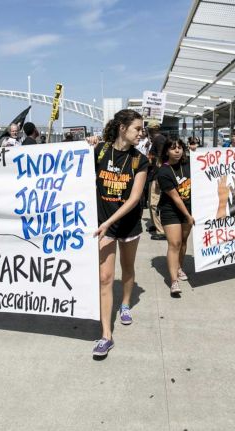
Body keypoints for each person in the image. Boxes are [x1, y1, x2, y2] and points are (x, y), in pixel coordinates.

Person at [92, 109, 149, 358]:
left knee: (128, 269)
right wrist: (84, 145)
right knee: (105, 278)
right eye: (137, 128)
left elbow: (135, 198)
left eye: (142, 129)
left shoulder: (140, 160)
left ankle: (125, 303)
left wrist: (109, 222)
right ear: (122, 128)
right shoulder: (100, 151)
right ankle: (106, 335)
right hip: (102, 224)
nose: (141, 133)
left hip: (127, 225)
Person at [157, 138, 194, 295]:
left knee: (183, 241)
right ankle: (173, 281)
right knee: (174, 243)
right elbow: (176, 198)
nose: (177, 151)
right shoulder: (163, 171)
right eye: (173, 148)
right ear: (167, 151)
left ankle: (179, 267)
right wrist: (188, 215)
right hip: (170, 210)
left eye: (179, 148)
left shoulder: (189, 164)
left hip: (189, 207)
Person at [147, 121, 166, 240]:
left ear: (151, 130)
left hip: (156, 176)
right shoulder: (157, 140)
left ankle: (161, 231)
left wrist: (159, 176)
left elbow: (161, 159)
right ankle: (156, 225)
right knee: (152, 202)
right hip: (154, 175)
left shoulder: (159, 140)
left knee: (154, 203)